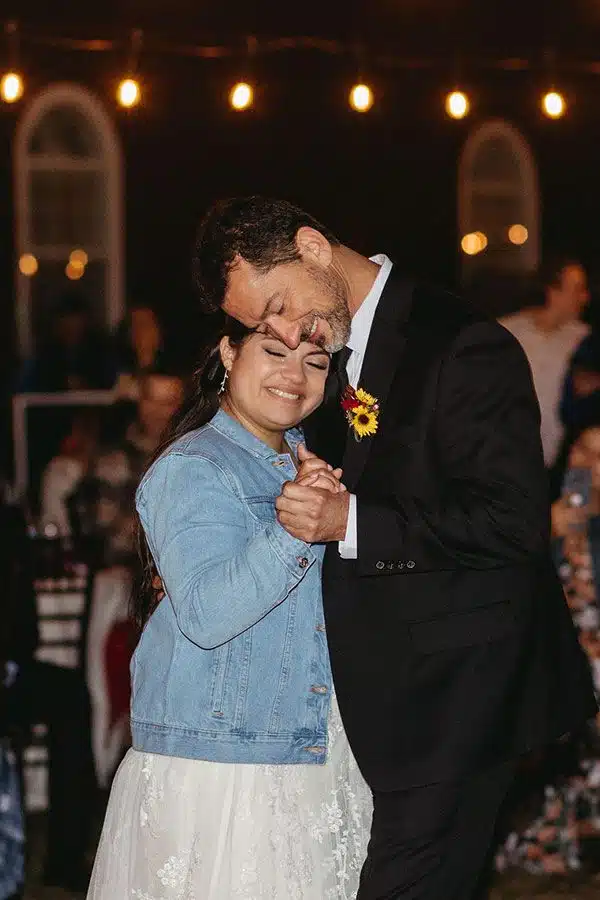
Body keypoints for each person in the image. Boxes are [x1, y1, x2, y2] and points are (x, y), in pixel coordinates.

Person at [185, 196, 597, 899]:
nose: (287, 333)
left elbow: (513, 522)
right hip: (372, 702)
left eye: (279, 305)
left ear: (313, 247)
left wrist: (350, 521)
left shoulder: (463, 342)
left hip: (460, 692)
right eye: (264, 327)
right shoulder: (324, 355)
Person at [86, 323, 373, 899]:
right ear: (229, 351)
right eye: (275, 352)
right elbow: (209, 613)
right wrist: (298, 526)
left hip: (308, 746)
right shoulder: (195, 467)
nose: (294, 375)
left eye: (316, 363)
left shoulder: (304, 463)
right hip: (226, 765)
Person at [500, 258, 590, 470]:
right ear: (553, 291)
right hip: (502, 458)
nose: (585, 297)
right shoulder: (507, 331)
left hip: (553, 464)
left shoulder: (584, 340)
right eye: (577, 289)